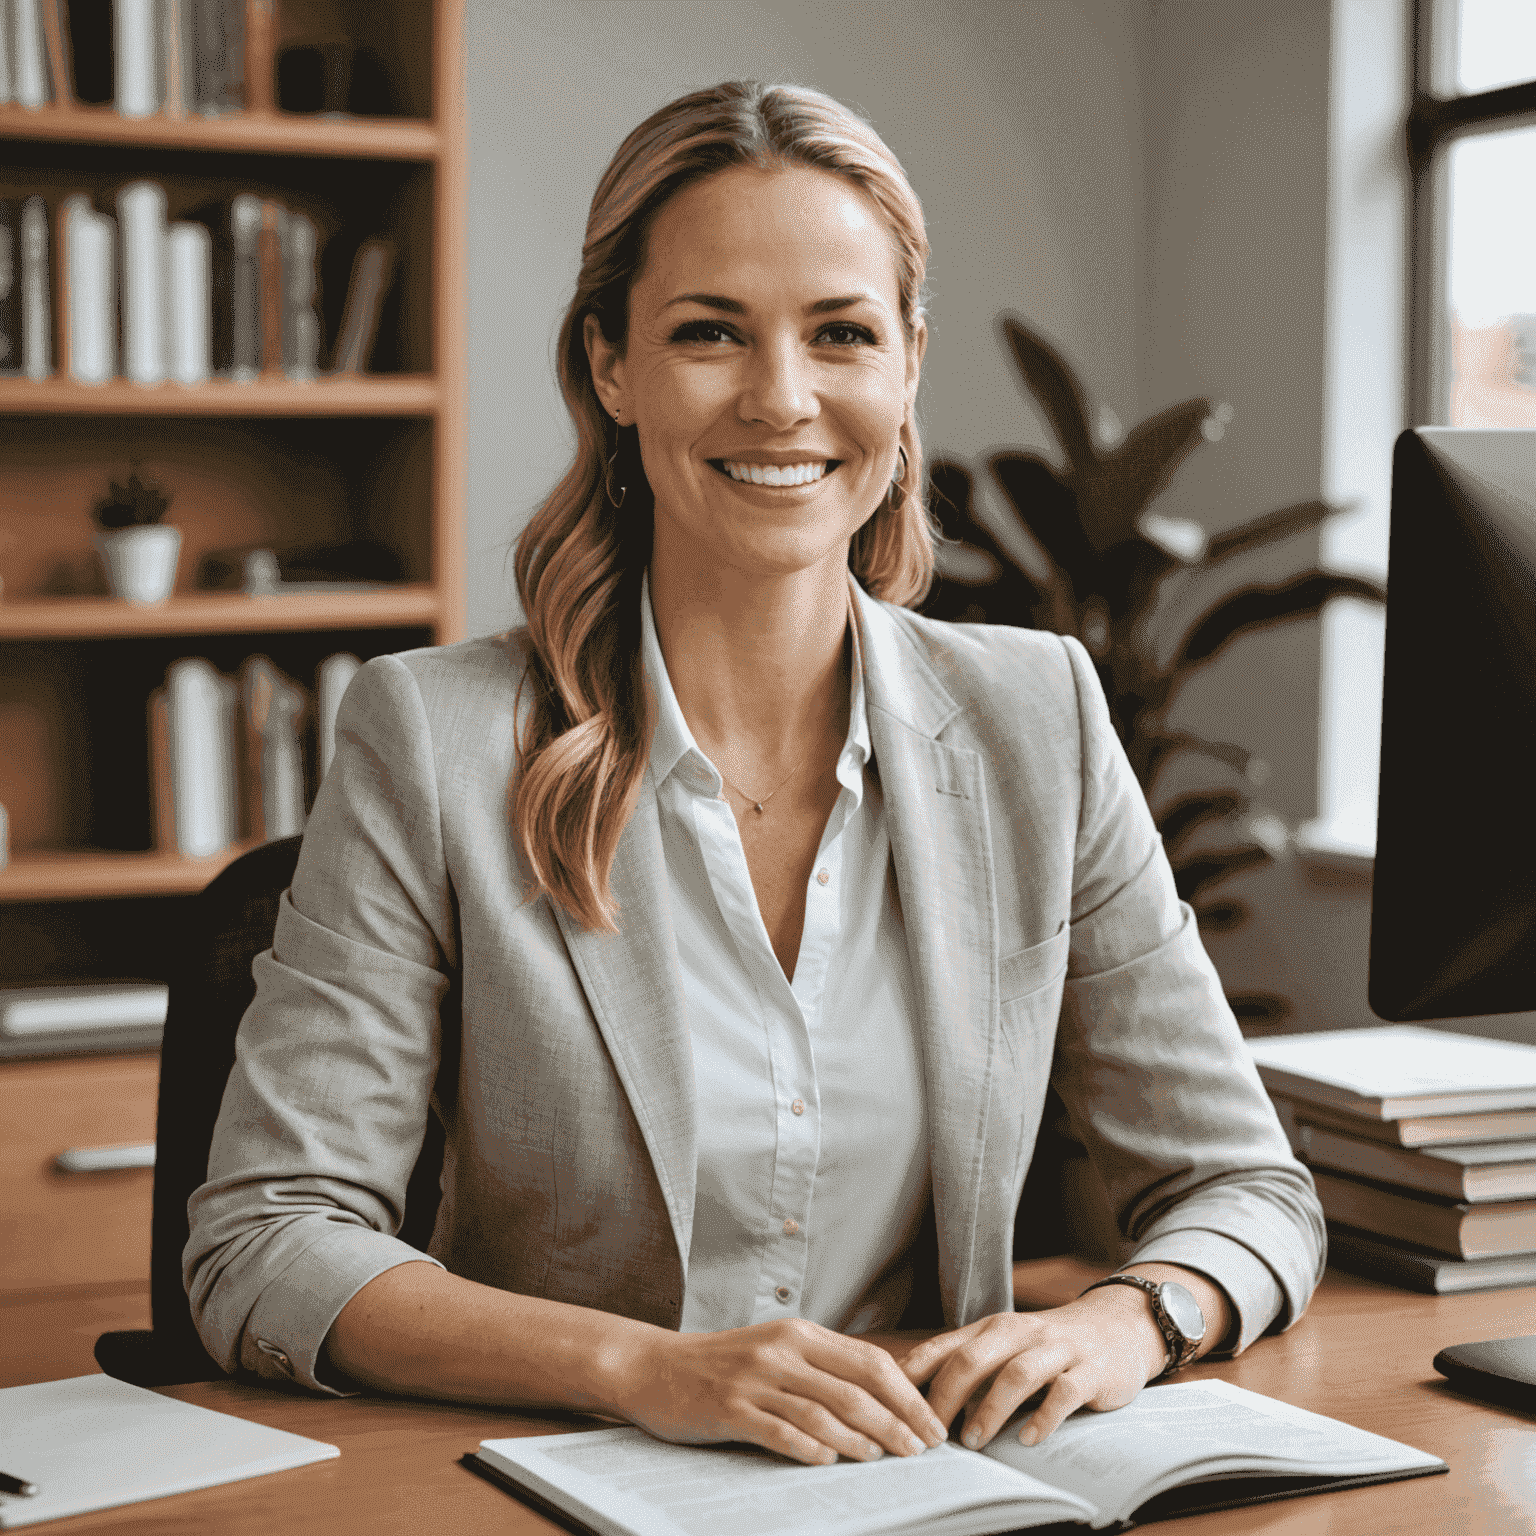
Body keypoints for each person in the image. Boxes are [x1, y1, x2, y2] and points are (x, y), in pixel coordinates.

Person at [186, 80, 1324, 1469]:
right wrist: (646, 1370)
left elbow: (1245, 1187)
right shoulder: (433, 736)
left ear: (906, 362)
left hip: (925, 1492)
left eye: (841, 334)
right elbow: (265, 1239)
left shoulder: (1039, 720)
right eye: (709, 332)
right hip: (570, 1492)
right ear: (612, 366)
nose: (782, 398)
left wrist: (1122, 1323)